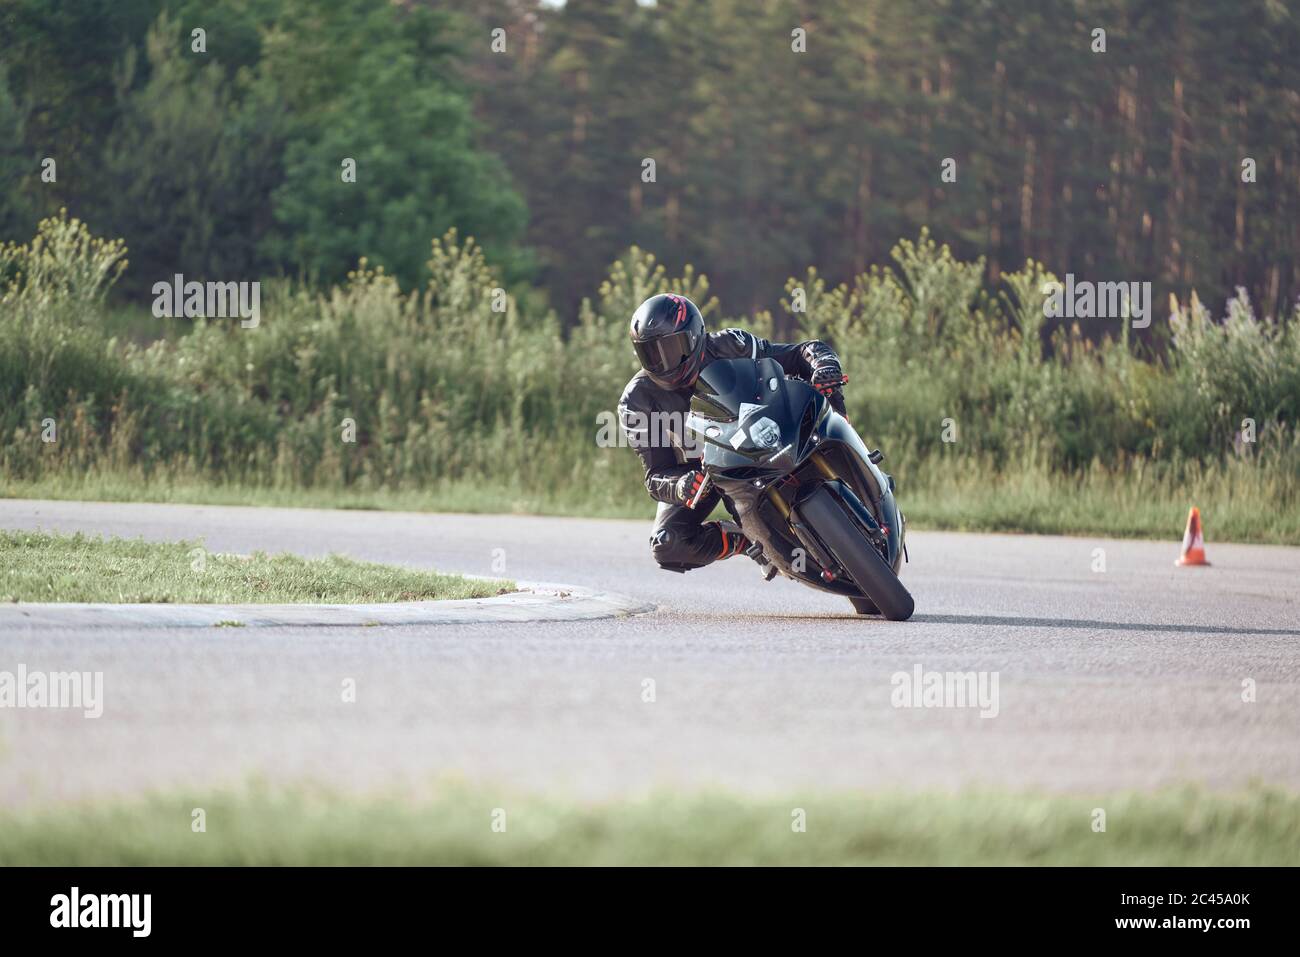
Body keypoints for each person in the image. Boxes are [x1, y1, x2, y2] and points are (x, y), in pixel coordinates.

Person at [617, 293, 847, 572]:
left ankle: (851, 452)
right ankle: (741, 540)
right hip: (703, 474)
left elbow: (798, 354)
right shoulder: (636, 401)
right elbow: (655, 476)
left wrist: (823, 364)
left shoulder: (731, 344)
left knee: (827, 387)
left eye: (671, 348)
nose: (663, 363)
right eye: (650, 354)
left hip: (767, 432)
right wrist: (679, 486)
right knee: (668, 545)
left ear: (693, 337)